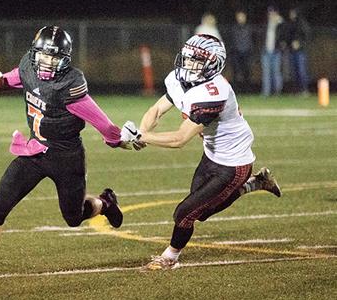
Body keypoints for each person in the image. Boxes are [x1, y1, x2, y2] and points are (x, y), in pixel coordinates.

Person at [0, 26, 130, 283]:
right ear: (34, 53)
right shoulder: (28, 69)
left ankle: (105, 202)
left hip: (66, 158)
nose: (48, 62)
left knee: (73, 218)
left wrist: (117, 140)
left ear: (65, 59)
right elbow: (6, 79)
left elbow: (102, 123)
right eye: (44, 55)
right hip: (34, 151)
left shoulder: (69, 86)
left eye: (55, 57)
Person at [120, 34, 282, 270]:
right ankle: (256, 184)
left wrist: (139, 136)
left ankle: (169, 258)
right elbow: (156, 111)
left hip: (234, 163)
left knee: (185, 213)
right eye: (187, 57)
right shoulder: (179, 79)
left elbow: (180, 139)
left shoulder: (214, 92)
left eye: (195, 60)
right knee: (201, 212)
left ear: (212, 64)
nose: (188, 64)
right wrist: (142, 133)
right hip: (212, 154)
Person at [261, 6, 286, 97]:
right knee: (266, 73)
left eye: (273, 13)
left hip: (276, 51)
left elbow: (284, 34)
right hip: (266, 51)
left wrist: (279, 23)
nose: (271, 15)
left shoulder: (280, 24)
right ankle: (266, 92)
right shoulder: (266, 24)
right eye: (270, 13)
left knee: (276, 72)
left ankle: (277, 92)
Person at [285, 7, 310, 96]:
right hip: (292, 51)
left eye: (293, 13)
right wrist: (289, 44)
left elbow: (307, 37)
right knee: (293, 72)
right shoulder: (290, 24)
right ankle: (296, 90)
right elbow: (287, 37)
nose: (291, 15)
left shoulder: (302, 23)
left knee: (302, 71)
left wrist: (299, 44)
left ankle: (304, 90)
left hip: (301, 51)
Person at [230, 10, 253, 93]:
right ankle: (236, 91)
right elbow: (232, 41)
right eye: (239, 17)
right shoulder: (234, 28)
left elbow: (251, 40)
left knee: (247, 73)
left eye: (242, 17)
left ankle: (247, 91)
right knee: (236, 73)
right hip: (236, 53)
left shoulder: (248, 28)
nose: (241, 18)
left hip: (246, 53)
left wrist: (250, 50)